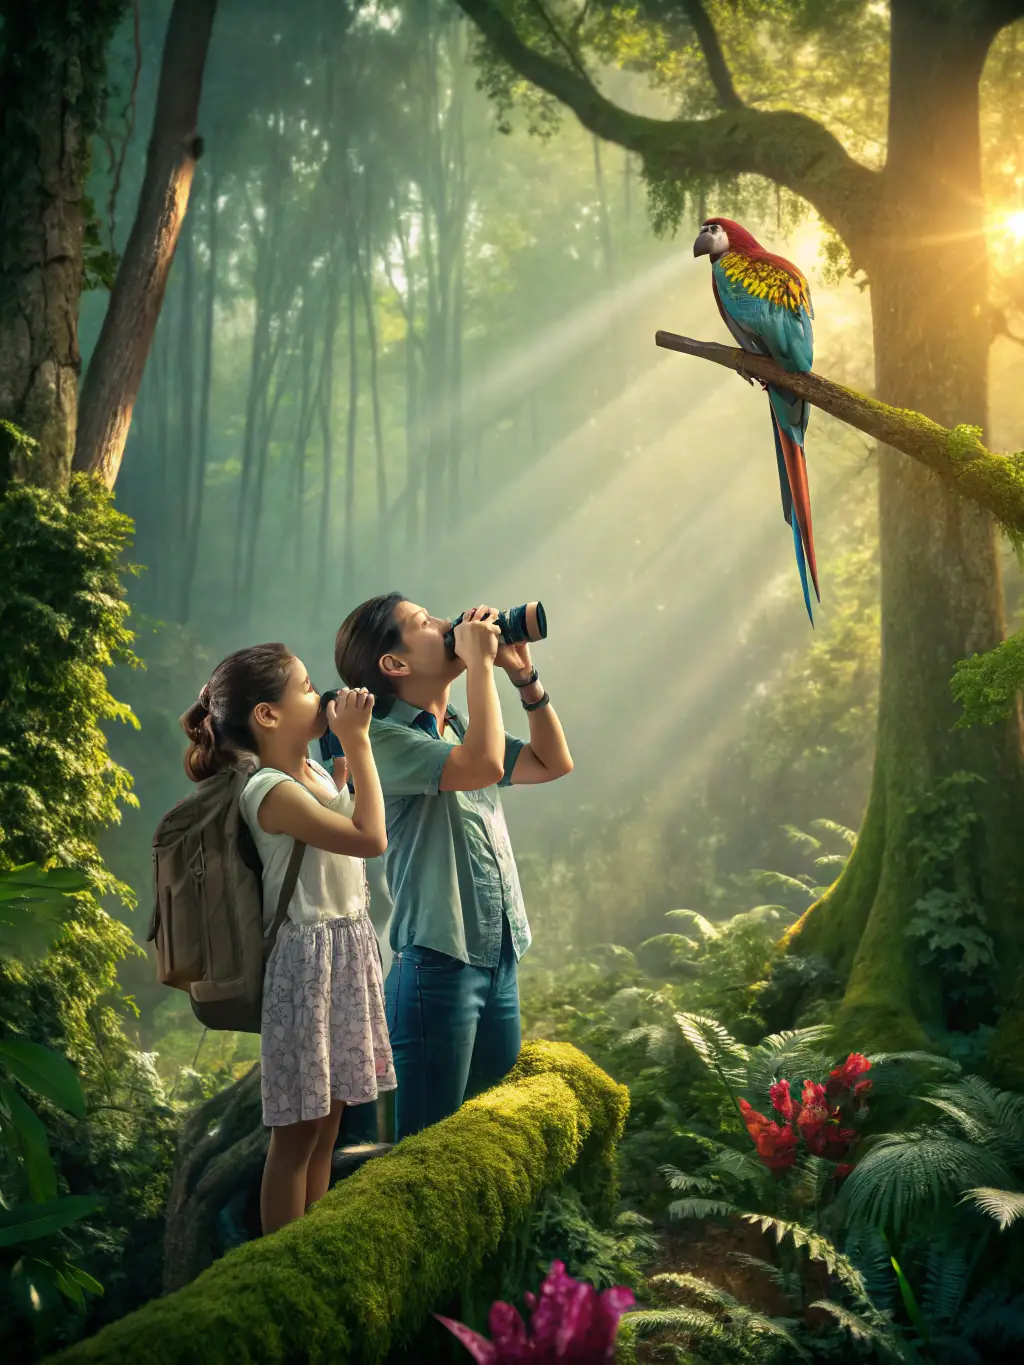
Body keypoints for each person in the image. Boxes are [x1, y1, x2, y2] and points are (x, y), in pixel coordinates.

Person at [333, 597, 573, 1141]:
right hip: (438, 969)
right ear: (395, 665)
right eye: (425, 624)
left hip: (498, 955)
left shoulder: (458, 725)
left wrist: (524, 675)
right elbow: (483, 765)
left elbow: (551, 762)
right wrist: (481, 667)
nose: (447, 626)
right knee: (427, 1154)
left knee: (491, 1141)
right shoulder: (381, 740)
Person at [180, 644, 396, 1234]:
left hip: (347, 948)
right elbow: (369, 838)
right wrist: (359, 741)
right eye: (304, 687)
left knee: (329, 1124)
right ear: (267, 716)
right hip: (308, 963)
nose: (318, 694)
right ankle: (283, 1259)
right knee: (297, 1134)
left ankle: (314, 1242)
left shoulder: (312, 772)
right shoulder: (268, 790)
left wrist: (345, 772)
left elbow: (348, 826)